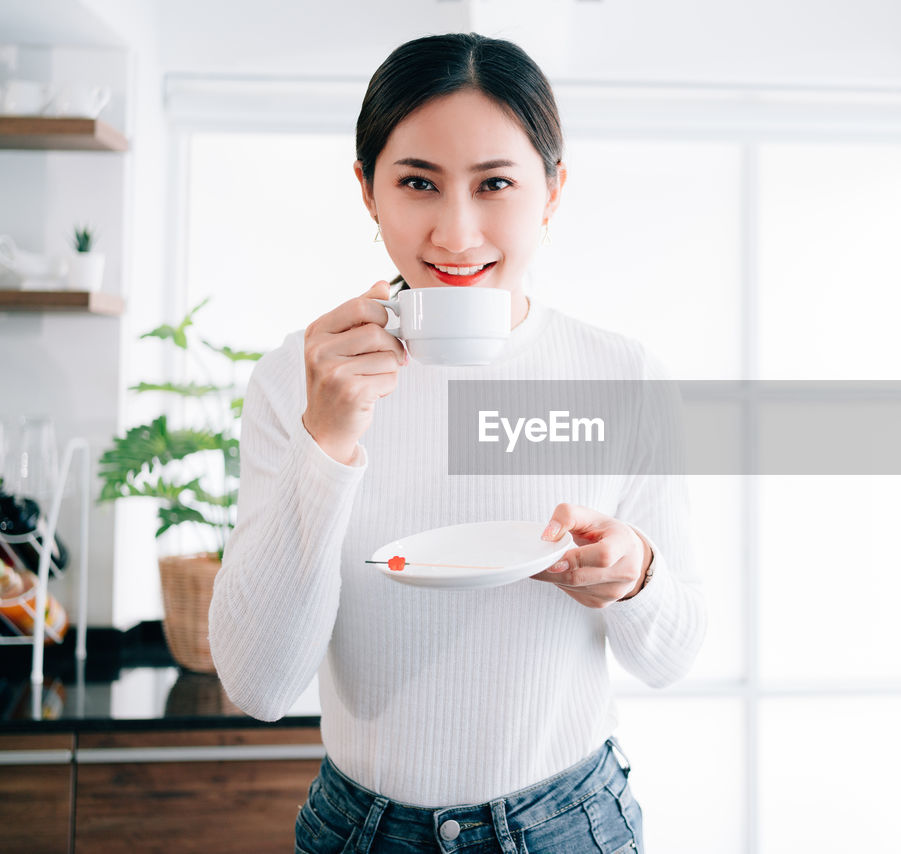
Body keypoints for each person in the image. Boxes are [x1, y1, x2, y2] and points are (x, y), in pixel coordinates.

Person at [207, 32, 707, 854]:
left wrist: (635, 574)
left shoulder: (620, 374)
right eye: (417, 183)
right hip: (358, 830)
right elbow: (260, 685)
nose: (456, 232)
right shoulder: (295, 382)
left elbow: (674, 652)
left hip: (567, 824)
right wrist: (326, 440)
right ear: (368, 191)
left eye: (496, 184)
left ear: (552, 191)